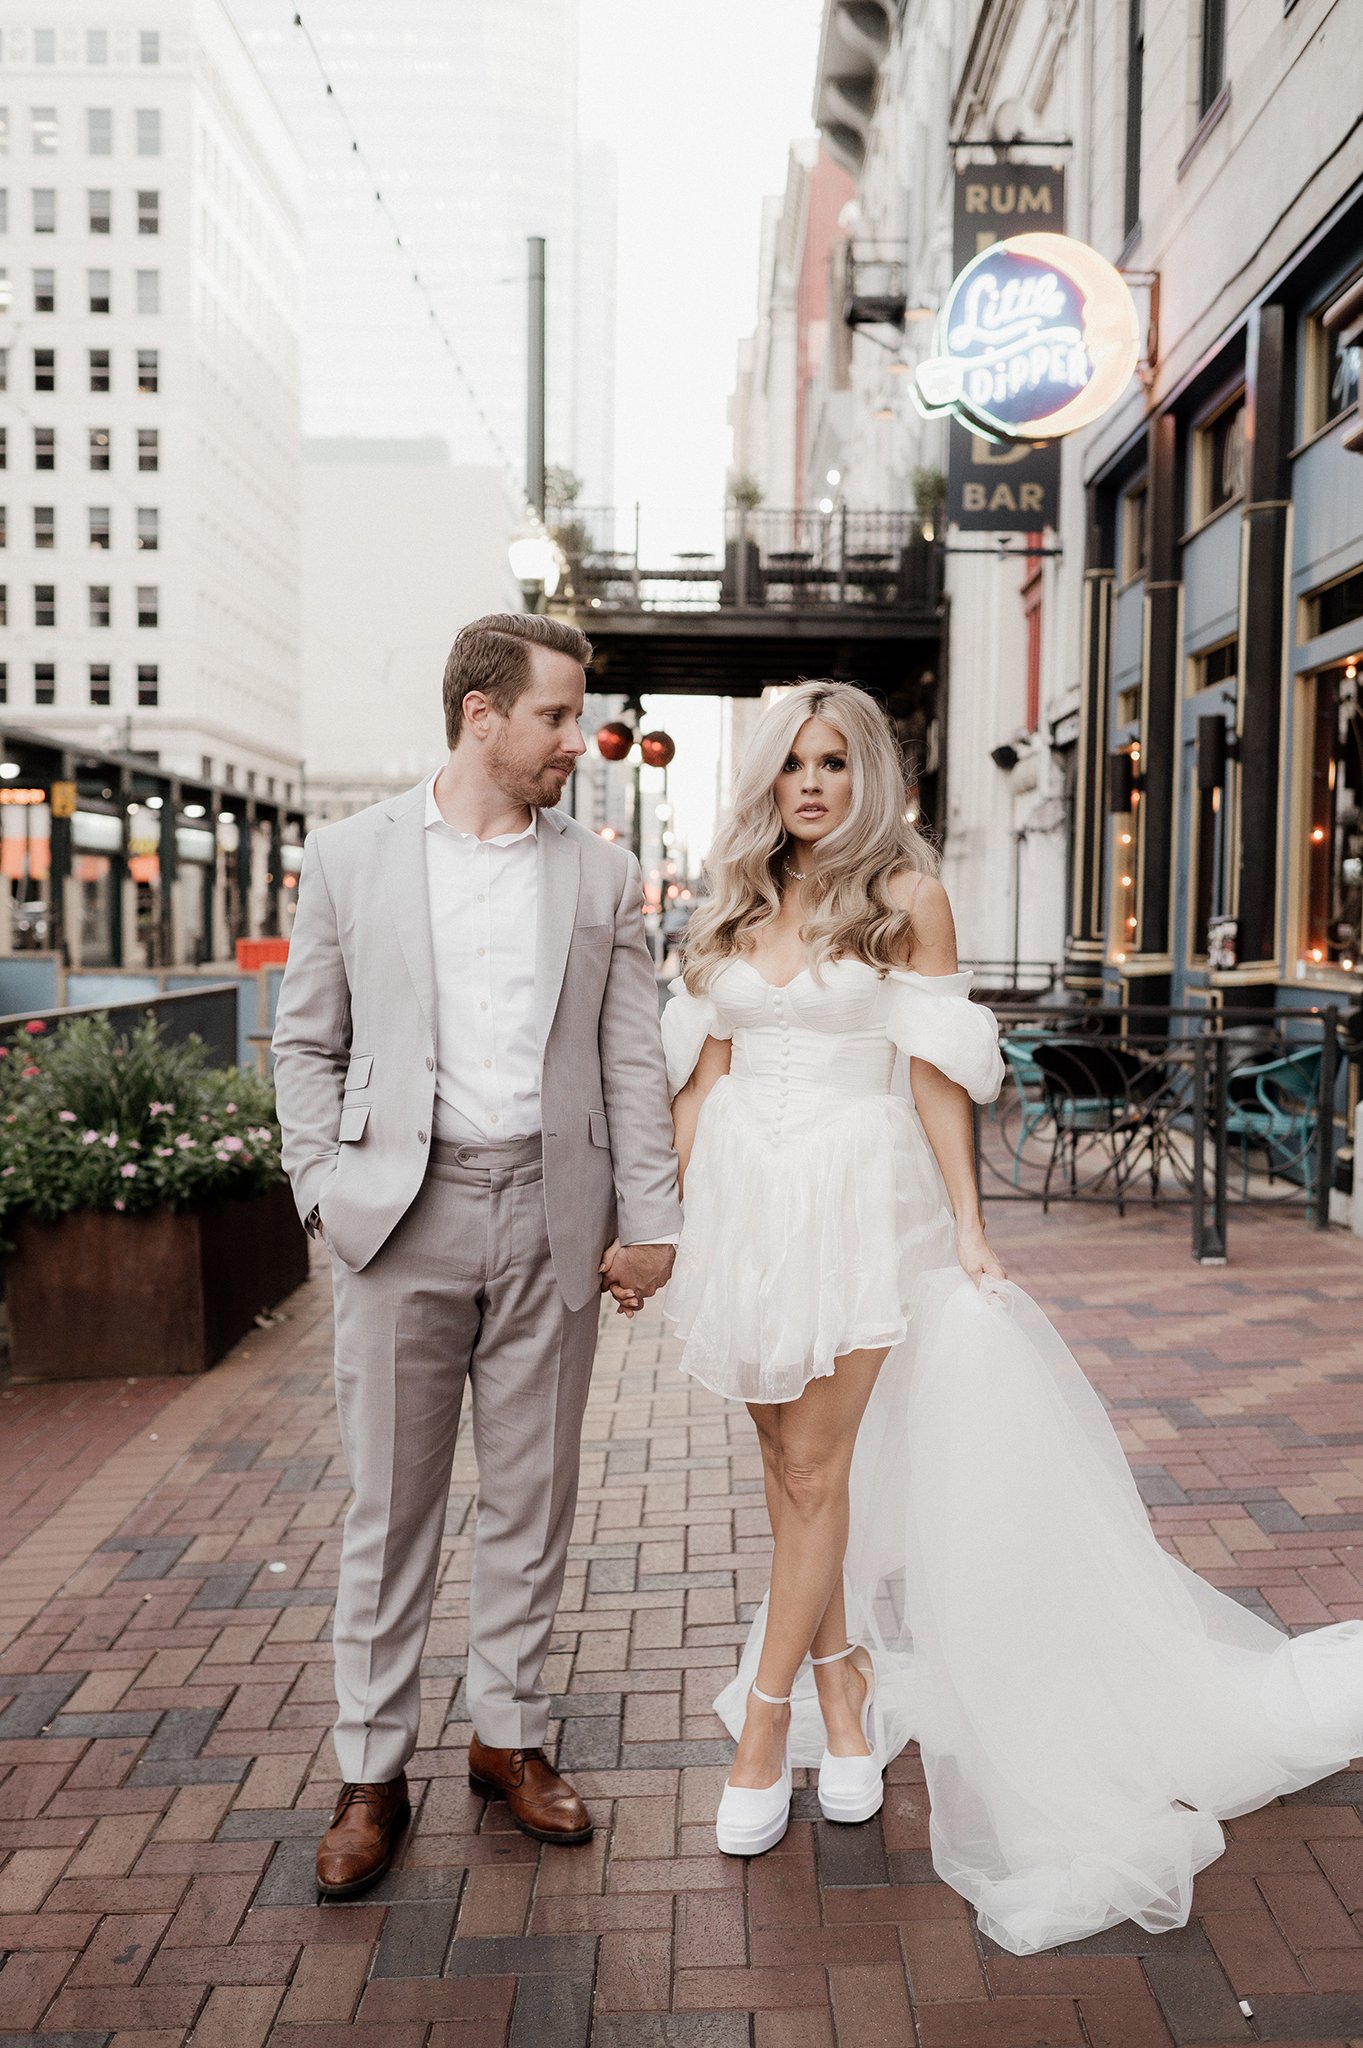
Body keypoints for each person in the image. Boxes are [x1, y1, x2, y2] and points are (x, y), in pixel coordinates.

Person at [661, 677, 1363, 1956]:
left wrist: (970, 1228)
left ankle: (773, 1726)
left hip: (861, 1210)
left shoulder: (905, 899)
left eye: (831, 761)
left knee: (817, 1475)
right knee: (786, 1466)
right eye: (789, 764)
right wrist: (668, 1219)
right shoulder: (737, 905)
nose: (808, 783)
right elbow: (701, 1074)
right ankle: (850, 1697)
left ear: (865, 771)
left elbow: (937, 1076)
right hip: (745, 1217)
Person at [272, 612, 680, 1899]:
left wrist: (651, 1218)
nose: (579, 740)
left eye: (580, 716)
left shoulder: (602, 876)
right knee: (391, 1508)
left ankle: (506, 1737)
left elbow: (629, 1056)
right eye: (558, 716)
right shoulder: (349, 856)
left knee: (531, 1497)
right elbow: (303, 1044)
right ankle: (370, 1769)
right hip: (400, 1219)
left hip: (553, 1213)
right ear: (481, 713)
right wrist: (324, 1193)